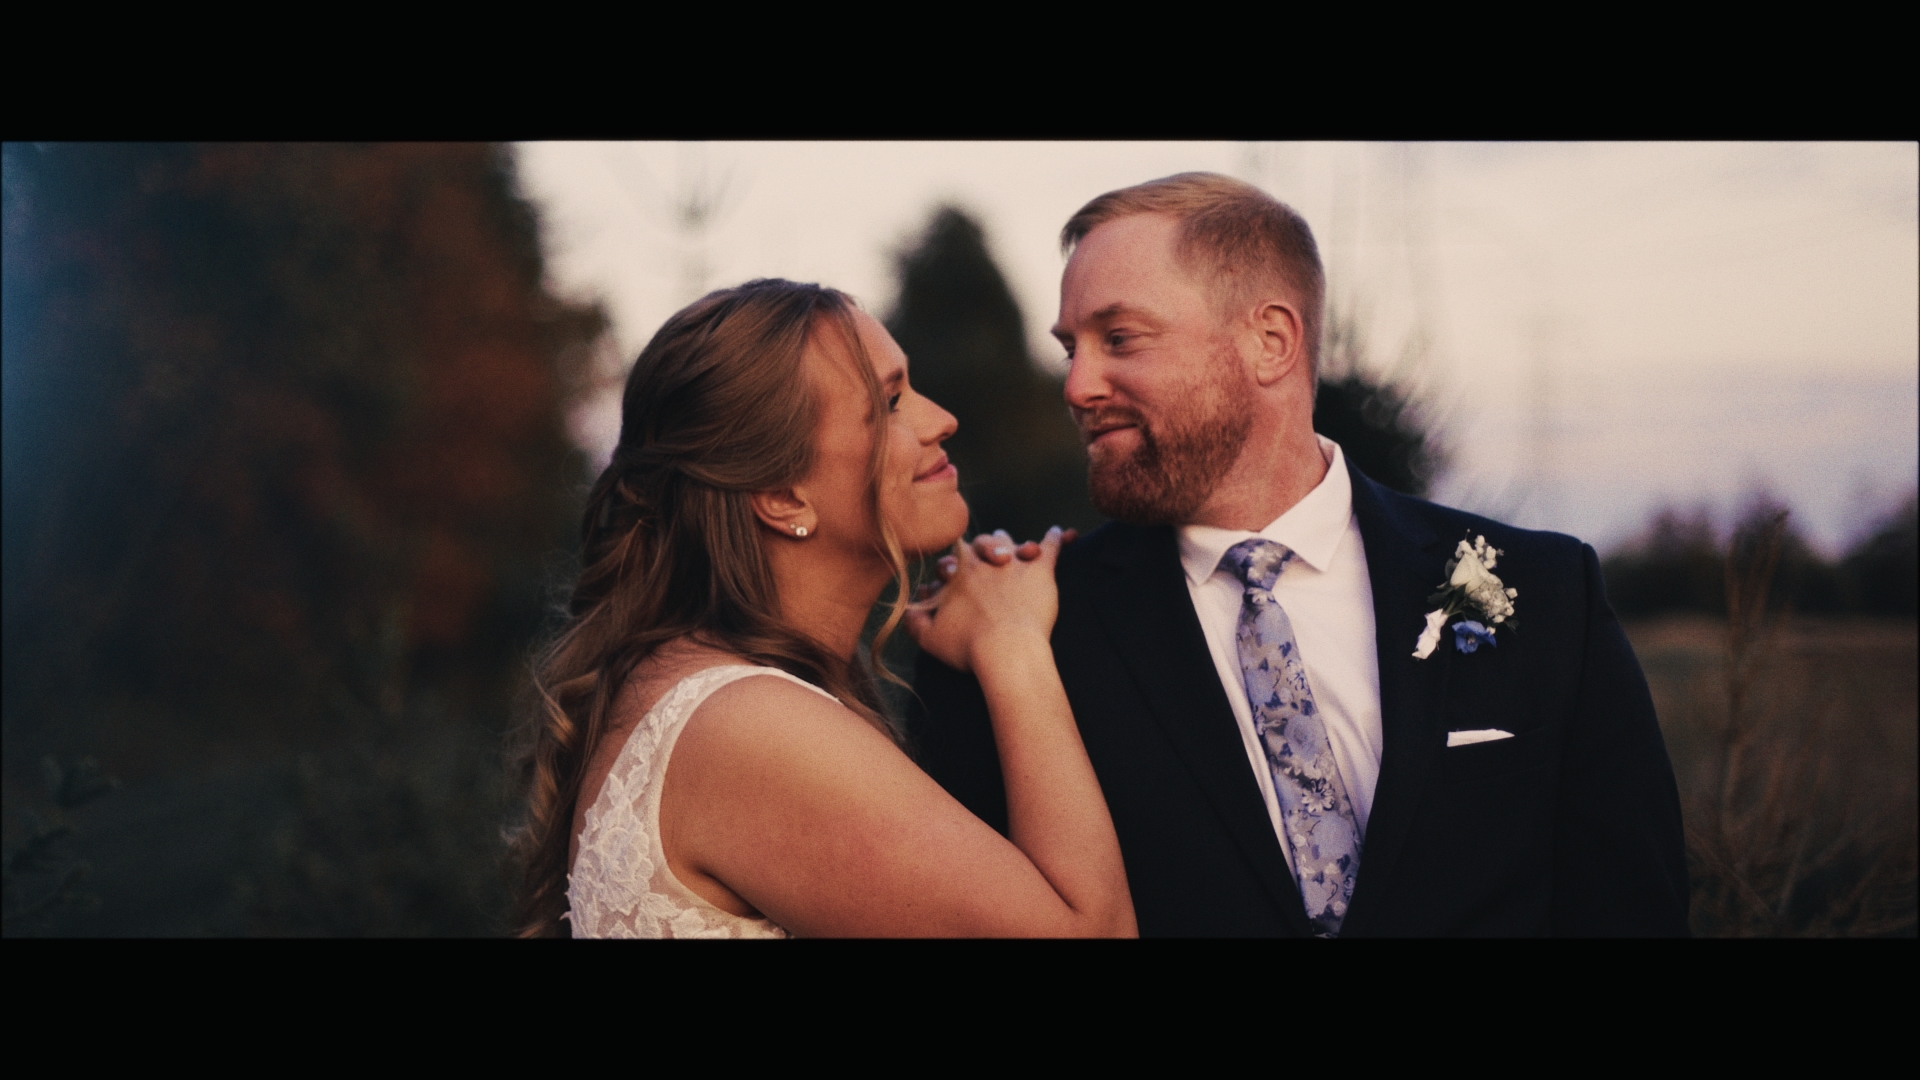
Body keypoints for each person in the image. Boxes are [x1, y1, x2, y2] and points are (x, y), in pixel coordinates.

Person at [913, 173, 1690, 937]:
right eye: (1069, 349)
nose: (1078, 385)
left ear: (1271, 342)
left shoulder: (1543, 593)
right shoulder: (1020, 635)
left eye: (1119, 339)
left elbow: (1632, 910)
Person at [512, 279, 1135, 938]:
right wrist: (1013, 645)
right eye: (890, 403)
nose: (940, 419)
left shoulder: (693, 685)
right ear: (783, 497)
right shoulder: (747, 725)